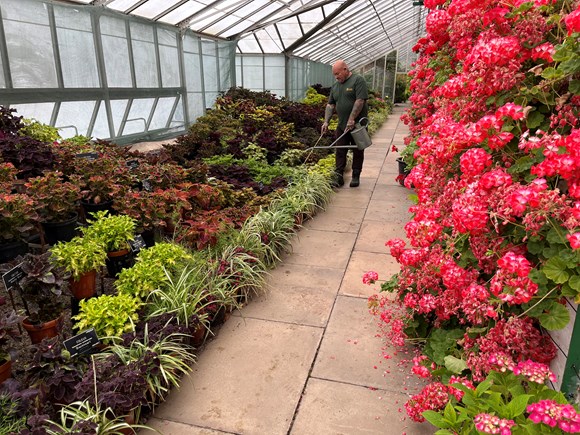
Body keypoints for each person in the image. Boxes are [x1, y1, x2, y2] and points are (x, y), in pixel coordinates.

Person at [321, 59, 369, 188]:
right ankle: (339, 177)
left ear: (345, 69)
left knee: (358, 149)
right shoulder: (336, 86)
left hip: (358, 125)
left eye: (338, 74)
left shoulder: (358, 80)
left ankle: (355, 175)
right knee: (340, 150)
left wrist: (352, 119)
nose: (336, 77)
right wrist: (326, 121)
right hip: (342, 125)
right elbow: (330, 104)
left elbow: (360, 101)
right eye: (334, 75)